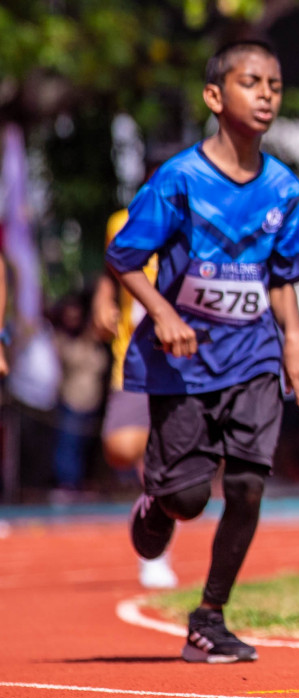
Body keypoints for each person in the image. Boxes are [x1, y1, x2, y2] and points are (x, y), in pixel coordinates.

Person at [106, 41, 299, 663]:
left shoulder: (283, 186)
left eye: (275, 84)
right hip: (184, 361)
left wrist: (296, 340)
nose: (267, 94)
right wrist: (164, 312)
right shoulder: (179, 180)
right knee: (190, 499)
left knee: (248, 484)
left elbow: (282, 276)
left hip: (253, 356)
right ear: (216, 96)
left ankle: (209, 617)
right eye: (252, 82)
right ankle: (159, 499)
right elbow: (123, 257)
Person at [92, 202, 180, 588]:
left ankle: (156, 551)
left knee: (174, 464)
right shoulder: (121, 222)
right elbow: (111, 271)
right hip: (135, 355)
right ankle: (154, 489)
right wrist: (103, 300)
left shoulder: (204, 214)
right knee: (122, 446)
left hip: (187, 359)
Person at [50, 295, 108, 497]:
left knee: (86, 446)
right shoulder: (60, 340)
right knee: (68, 446)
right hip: (71, 400)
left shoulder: (92, 340)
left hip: (93, 402)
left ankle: (82, 483)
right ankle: (66, 485)